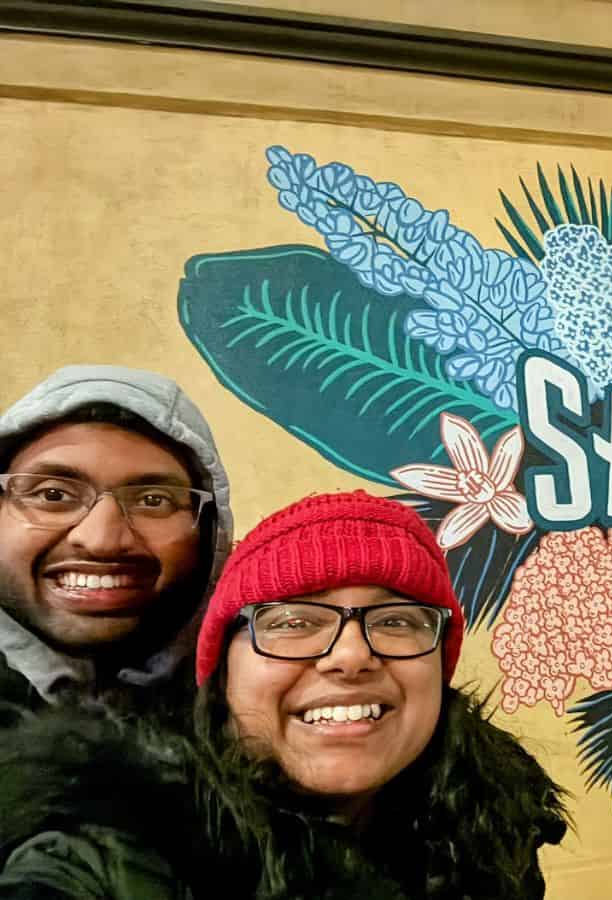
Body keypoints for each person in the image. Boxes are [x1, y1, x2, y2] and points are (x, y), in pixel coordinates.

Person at [0, 491, 568, 899]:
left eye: (396, 620)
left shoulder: (492, 830)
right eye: (293, 623)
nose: (351, 655)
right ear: (222, 672)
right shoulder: (116, 852)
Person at [0, 365, 232, 720]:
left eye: (153, 500)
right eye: (53, 494)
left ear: (210, 533)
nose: (101, 541)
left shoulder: (258, 716)